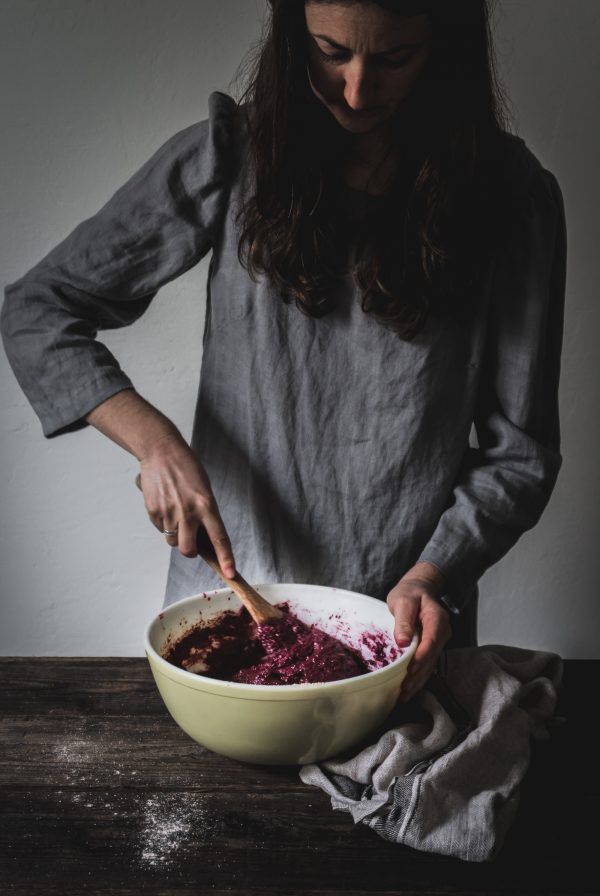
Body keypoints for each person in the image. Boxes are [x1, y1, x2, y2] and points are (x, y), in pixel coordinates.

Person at [1, 0, 566, 702]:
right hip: (225, 613)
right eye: (331, 52)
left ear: (445, 51)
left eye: (394, 58)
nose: (357, 91)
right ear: (292, 36)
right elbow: (37, 308)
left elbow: (521, 453)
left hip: (402, 643)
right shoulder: (228, 157)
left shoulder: (511, 202)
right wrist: (153, 443)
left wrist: (434, 575)